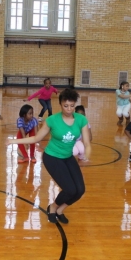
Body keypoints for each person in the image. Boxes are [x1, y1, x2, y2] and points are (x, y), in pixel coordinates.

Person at [7, 88, 91, 224]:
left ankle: (60, 210)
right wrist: (13, 140)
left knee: (80, 190)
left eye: (72, 106)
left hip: (67, 157)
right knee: (70, 189)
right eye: (65, 106)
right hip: (52, 157)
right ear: (60, 105)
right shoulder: (52, 120)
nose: (69, 109)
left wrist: (87, 150)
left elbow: (86, 141)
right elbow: (36, 138)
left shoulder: (81, 119)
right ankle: (52, 207)